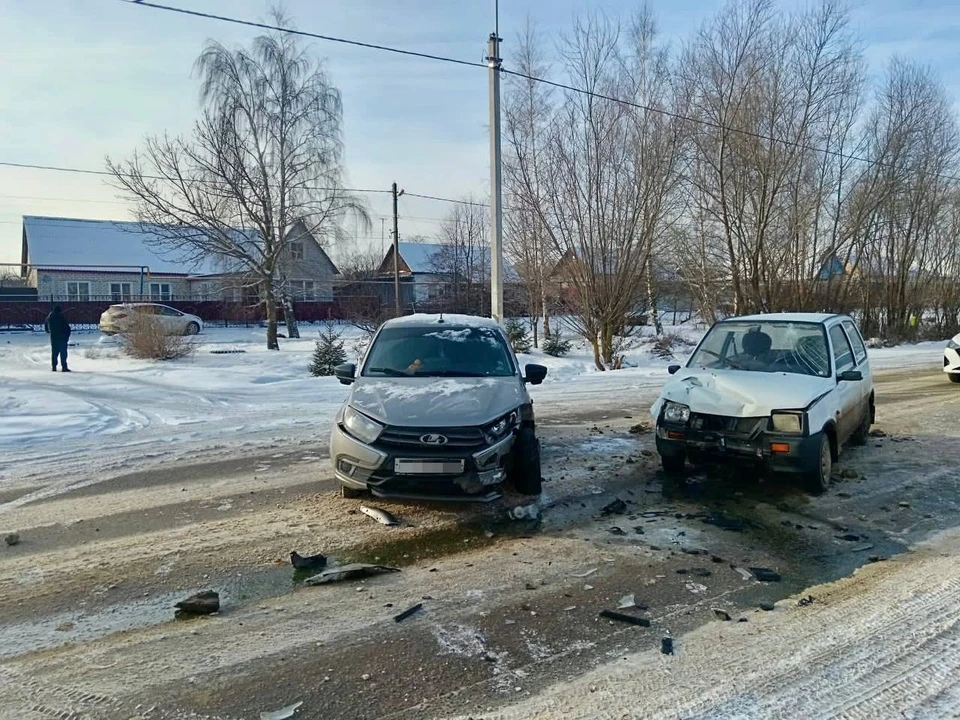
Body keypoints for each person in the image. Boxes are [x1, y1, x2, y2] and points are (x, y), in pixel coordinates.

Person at [44, 305, 71, 372]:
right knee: (63, 353)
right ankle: (64, 367)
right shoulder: (61, 317)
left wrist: (49, 331)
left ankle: (54, 367)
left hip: (53, 337)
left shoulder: (49, 317)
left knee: (54, 353)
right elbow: (66, 327)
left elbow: (46, 326)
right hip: (62, 337)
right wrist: (67, 335)